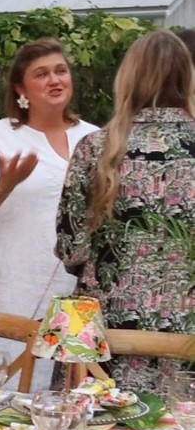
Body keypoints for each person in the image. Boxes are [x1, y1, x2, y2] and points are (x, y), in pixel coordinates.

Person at [0, 39, 98, 389]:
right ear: (20, 88)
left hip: (77, 293)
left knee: (71, 397)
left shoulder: (96, 138)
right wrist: (4, 184)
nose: (55, 80)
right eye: (41, 74)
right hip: (12, 289)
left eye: (61, 71)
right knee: (3, 396)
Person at [56, 28, 195, 365]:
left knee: (94, 402)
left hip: (105, 335)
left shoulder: (96, 148)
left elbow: (71, 249)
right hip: (186, 336)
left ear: (128, 78)